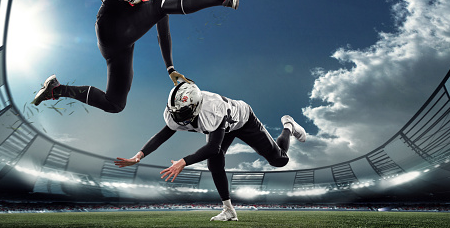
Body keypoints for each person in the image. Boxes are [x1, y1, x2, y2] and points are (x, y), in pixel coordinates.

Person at [31, 0, 240, 113]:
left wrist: (170, 68)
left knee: (115, 104)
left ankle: (56, 90)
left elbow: (163, 32)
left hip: (121, 46)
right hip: (110, 27)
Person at [114, 82, 306, 221]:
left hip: (242, 120)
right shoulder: (177, 110)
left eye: (184, 114)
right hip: (218, 126)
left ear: (197, 106)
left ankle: (288, 125)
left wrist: (184, 161)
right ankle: (229, 210)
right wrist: (139, 155)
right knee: (214, 162)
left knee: (279, 160)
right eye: (177, 113)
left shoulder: (211, 110)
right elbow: (164, 134)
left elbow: (213, 146)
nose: (180, 119)